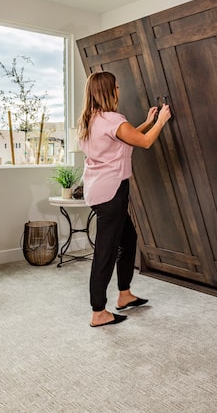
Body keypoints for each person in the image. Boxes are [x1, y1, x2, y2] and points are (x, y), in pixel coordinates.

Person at [77, 71, 172, 328]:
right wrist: (161, 120)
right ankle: (99, 311)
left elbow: (123, 140)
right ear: (109, 91)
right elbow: (144, 142)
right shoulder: (113, 119)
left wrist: (147, 121)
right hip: (112, 192)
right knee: (105, 251)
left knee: (128, 239)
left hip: (98, 191)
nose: (119, 91)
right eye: (117, 87)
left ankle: (124, 294)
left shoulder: (90, 120)